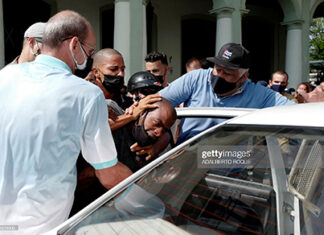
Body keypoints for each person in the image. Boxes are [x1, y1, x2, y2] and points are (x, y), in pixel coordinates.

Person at [0, 10, 132, 235]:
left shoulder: (5, 77)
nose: (88, 58)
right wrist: (146, 195)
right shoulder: (86, 94)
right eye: (89, 51)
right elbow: (107, 173)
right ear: (73, 45)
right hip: (42, 226)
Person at [159, 42, 294, 144]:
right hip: (187, 166)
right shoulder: (195, 79)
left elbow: (295, 112)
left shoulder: (258, 94)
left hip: (230, 174)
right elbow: (156, 105)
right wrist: (160, 140)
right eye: (218, 70)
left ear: (244, 77)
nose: (220, 76)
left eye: (228, 73)